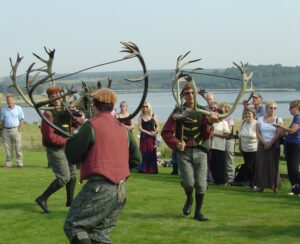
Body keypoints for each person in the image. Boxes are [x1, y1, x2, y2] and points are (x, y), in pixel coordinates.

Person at [63, 88, 141, 243]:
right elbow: (137, 159)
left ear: (95, 105)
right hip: (120, 190)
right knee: (99, 235)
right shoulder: (123, 129)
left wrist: (77, 133)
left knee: (74, 226)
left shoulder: (91, 126)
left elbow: (72, 155)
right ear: (112, 106)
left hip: (98, 188)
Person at [161, 82, 216, 221]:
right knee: (188, 183)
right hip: (183, 153)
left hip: (200, 151)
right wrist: (176, 143)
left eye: (193, 93)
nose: (191, 95)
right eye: (187, 93)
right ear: (183, 95)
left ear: (196, 94)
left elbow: (206, 135)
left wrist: (210, 123)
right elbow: (166, 132)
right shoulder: (178, 111)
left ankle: (198, 213)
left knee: (201, 184)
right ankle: (189, 199)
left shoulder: (203, 111)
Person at [35, 86, 80, 213]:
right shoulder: (48, 114)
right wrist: (65, 140)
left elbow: (75, 125)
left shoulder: (65, 109)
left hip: (67, 147)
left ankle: (70, 202)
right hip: (55, 149)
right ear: (49, 98)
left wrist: (74, 115)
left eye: (58, 95)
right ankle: (42, 198)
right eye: (53, 97)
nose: (56, 98)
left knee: (73, 175)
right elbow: (48, 136)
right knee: (64, 177)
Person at [254, 100, 282, 193]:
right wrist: (264, 143)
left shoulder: (278, 119)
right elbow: (257, 132)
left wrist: (270, 143)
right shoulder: (260, 119)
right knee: (261, 164)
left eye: (275, 108)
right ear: (266, 109)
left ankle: (275, 186)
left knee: (274, 165)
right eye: (271, 108)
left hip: (274, 146)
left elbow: (278, 133)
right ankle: (261, 186)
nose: (273, 109)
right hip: (262, 145)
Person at [273, 99, 300, 195]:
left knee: (293, 169)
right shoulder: (296, 117)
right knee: (290, 169)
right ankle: (295, 189)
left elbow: (292, 131)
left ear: (297, 107)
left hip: (295, 145)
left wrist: (280, 126)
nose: (289, 110)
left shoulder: (298, 117)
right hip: (290, 145)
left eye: (291, 107)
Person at [235, 107, 258, 186]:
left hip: (254, 149)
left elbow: (259, 136)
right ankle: (250, 182)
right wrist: (240, 146)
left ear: (253, 115)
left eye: (249, 113)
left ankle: (249, 182)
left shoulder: (256, 124)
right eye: (246, 113)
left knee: (249, 166)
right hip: (245, 149)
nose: (247, 115)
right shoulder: (243, 122)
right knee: (248, 166)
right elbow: (240, 136)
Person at [0, 95, 25, 167]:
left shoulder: (18, 108)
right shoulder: (4, 109)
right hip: (6, 130)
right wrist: (2, 130)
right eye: (8, 100)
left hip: (16, 130)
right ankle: (9, 162)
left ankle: (19, 162)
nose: (9, 101)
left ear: (13, 100)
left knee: (18, 147)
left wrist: (20, 128)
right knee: (8, 148)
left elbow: (22, 119)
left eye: (10, 100)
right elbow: (2, 121)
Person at [209, 103, 230, 185]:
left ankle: (222, 180)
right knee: (213, 164)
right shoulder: (212, 123)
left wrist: (215, 134)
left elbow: (227, 134)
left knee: (220, 164)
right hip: (212, 146)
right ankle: (215, 180)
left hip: (220, 147)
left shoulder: (224, 123)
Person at [138, 101, 159, 173]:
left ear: (149, 107)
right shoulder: (141, 116)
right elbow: (139, 128)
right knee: (143, 152)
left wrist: (155, 131)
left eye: (146, 106)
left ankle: (152, 169)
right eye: (143, 106)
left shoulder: (153, 115)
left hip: (152, 137)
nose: (145, 108)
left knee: (151, 152)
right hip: (144, 137)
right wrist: (148, 133)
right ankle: (144, 169)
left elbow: (158, 126)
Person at [219, 102, 235, 184]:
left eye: (223, 107)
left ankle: (230, 179)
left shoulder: (230, 117)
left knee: (229, 159)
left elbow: (228, 131)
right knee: (222, 159)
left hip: (228, 140)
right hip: (221, 140)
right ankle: (224, 178)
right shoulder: (220, 117)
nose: (221, 109)